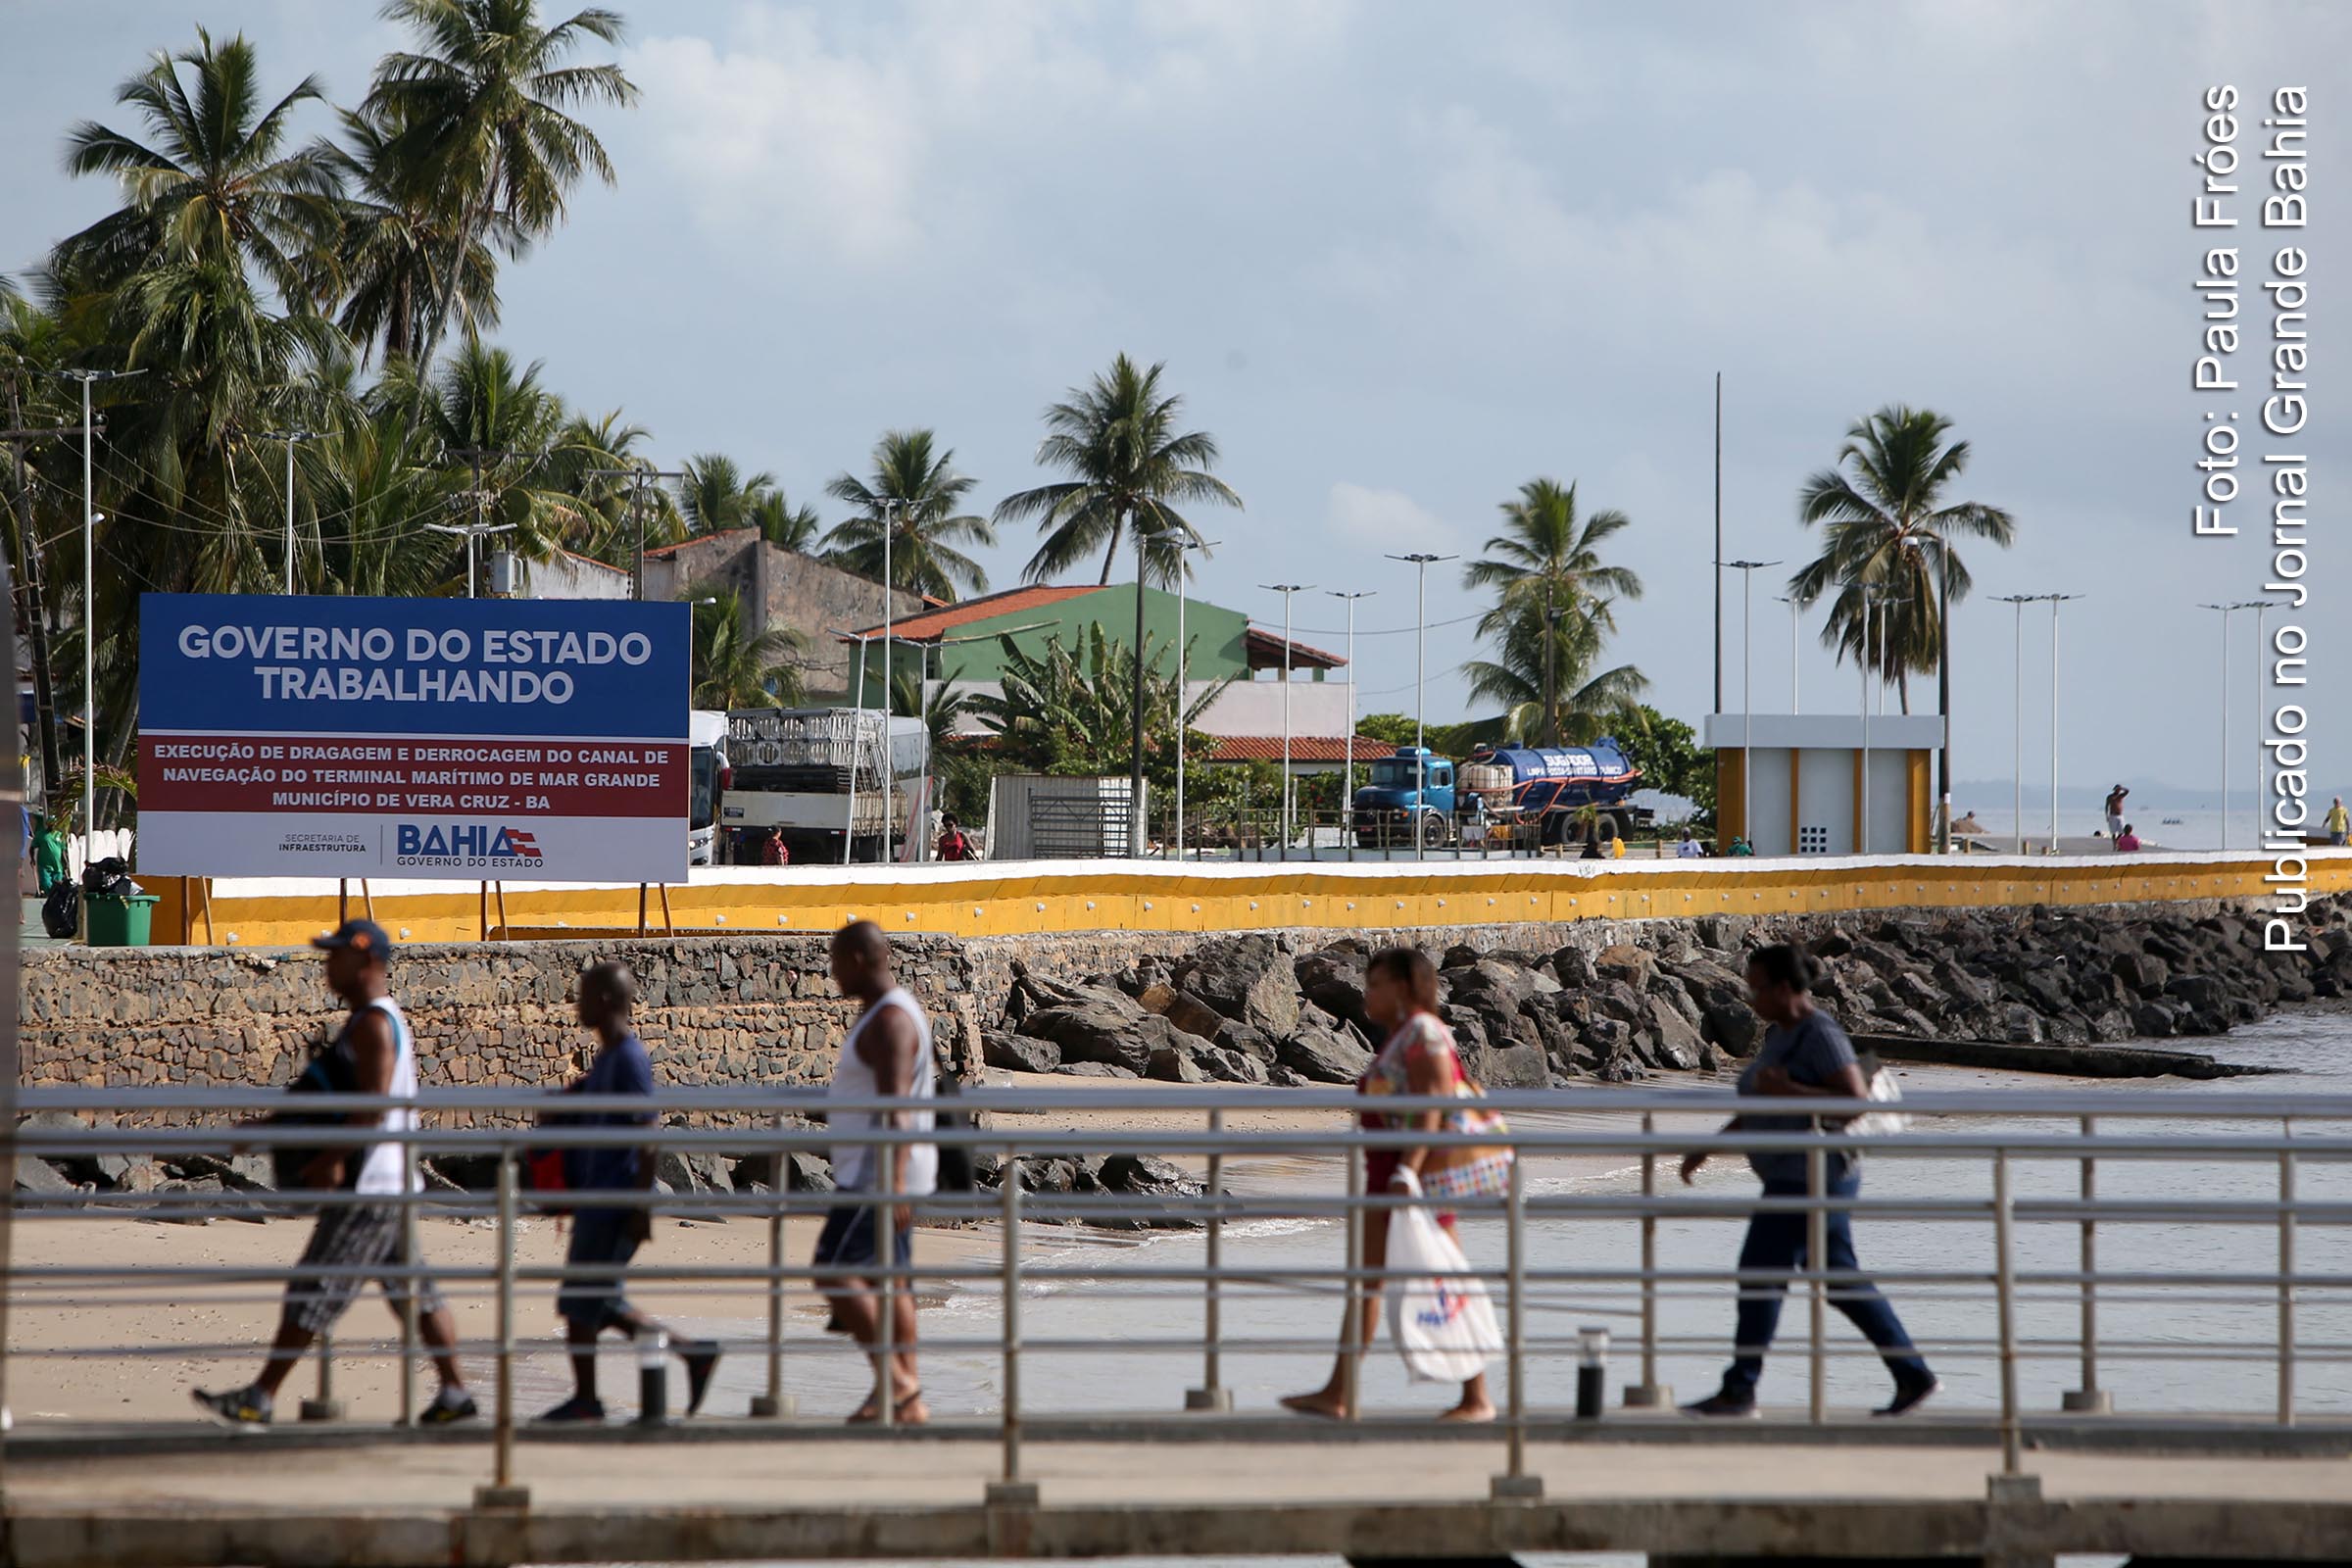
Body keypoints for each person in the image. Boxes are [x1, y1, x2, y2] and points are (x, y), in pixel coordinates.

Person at [193, 919, 477, 1427]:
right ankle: (456, 1394)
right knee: (414, 1291)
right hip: (388, 1182)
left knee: (314, 1287)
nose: (328, 966)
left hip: (369, 1187)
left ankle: (258, 1398)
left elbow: (372, 1107)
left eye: (336, 956)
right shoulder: (372, 1020)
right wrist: (265, 1127)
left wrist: (328, 1159)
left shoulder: (372, 1024)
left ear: (366, 961)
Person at [1680, 944, 1938, 1418]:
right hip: (1800, 1174)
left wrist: (1789, 1091)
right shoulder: (1780, 1033)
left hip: (1812, 1175)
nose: (1752, 999)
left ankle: (1740, 1390)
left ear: (1783, 988)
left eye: (1757, 988)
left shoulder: (1819, 1032)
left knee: (1760, 1272)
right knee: (1837, 1279)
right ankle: (1912, 1374)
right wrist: (1709, 1146)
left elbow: (1854, 1101)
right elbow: (1761, 1102)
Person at [1282, 947, 1496, 1424]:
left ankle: (1476, 1398)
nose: (1366, 993)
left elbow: (1435, 1103)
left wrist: (1407, 1171)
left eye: (1375, 984)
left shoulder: (1423, 1031)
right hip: (1393, 1176)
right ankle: (1338, 1391)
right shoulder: (1401, 1035)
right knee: (1376, 1283)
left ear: (1402, 988)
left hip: (1411, 1181)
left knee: (1438, 1282)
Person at [538, 961, 721, 1423]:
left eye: (582, 995)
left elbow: (647, 1131)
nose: (576, 1004)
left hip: (616, 1201)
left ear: (603, 1000)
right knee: (588, 1301)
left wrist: (639, 1204)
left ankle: (594, 1398)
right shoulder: (607, 1059)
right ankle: (686, 1355)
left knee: (586, 1302)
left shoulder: (629, 1058)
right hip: (598, 1198)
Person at [816, 919, 936, 1425]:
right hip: (883, 1169)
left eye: (838, 961)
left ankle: (900, 1384)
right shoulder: (885, 1011)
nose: (832, 972)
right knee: (894, 1282)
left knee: (834, 1270)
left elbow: (896, 1107)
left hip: (877, 1172)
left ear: (861, 961)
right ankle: (904, 1401)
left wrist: (891, 1183)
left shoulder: (890, 1021)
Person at [32, 815, 65, 895]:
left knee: (58, 885)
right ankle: (48, 897)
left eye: (54, 824)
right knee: (46, 884)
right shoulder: (41, 834)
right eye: (51, 824)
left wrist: (65, 862)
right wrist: (32, 858)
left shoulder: (59, 835)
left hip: (57, 865)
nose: (53, 826)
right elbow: (32, 847)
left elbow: (63, 850)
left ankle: (55, 901)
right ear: (48, 824)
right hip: (44, 865)